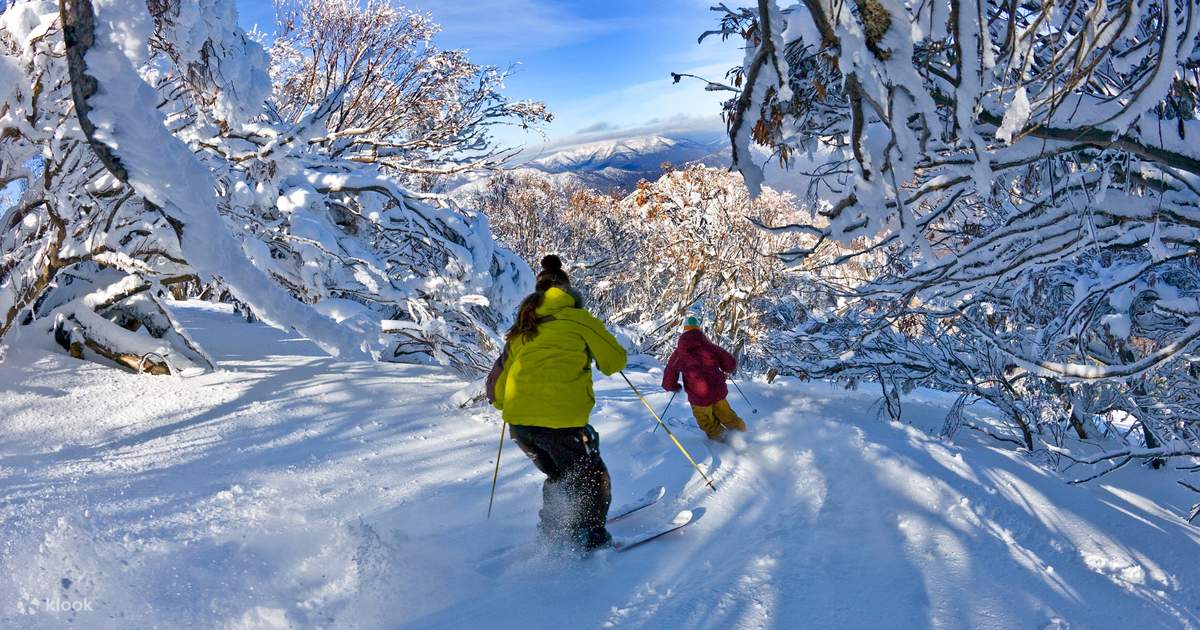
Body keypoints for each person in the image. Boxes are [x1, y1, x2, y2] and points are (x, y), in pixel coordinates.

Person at [487, 255, 627, 553]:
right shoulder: (578, 319)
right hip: (561, 424)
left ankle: (553, 530)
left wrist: (509, 404)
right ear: (567, 290)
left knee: (560, 475)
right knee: (591, 476)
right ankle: (591, 537)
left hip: (520, 427)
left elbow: (498, 386)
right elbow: (614, 362)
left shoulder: (524, 328)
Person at [661, 315, 747, 440]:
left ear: (684, 330)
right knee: (728, 416)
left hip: (699, 397)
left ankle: (724, 440)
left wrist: (672, 386)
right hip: (718, 391)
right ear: (699, 330)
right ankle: (742, 436)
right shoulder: (710, 347)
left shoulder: (679, 353)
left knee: (706, 421)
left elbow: (670, 372)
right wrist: (725, 368)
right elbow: (730, 363)